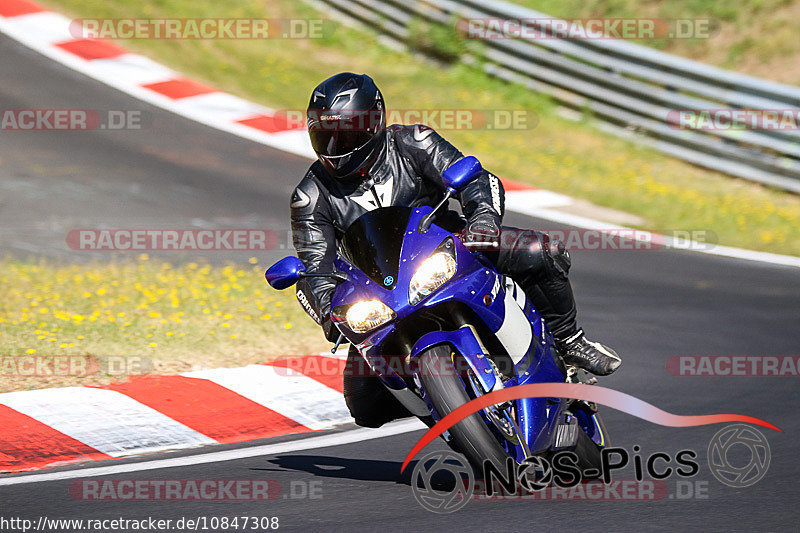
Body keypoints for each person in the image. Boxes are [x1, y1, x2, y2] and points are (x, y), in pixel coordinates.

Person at [290, 72, 621, 428]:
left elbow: (476, 178)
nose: (335, 145)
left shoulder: (413, 142)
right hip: (381, 295)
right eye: (324, 133)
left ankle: (570, 340)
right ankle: (448, 405)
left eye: (346, 133)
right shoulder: (310, 196)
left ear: (374, 122)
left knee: (539, 250)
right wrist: (330, 313)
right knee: (366, 408)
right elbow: (315, 269)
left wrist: (482, 219)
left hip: (450, 249)